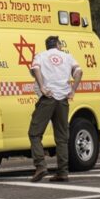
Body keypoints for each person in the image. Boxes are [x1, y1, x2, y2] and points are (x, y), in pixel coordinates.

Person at [28, 35, 82, 183]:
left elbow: (35, 69)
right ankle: (63, 172)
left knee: (34, 133)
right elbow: (79, 72)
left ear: (47, 46)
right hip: (63, 99)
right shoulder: (67, 56)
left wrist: (42, 87)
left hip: (48, 98)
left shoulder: (41, 55)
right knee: (62, 138)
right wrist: (73, 90)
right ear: (58, 45)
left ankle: (40, 166)